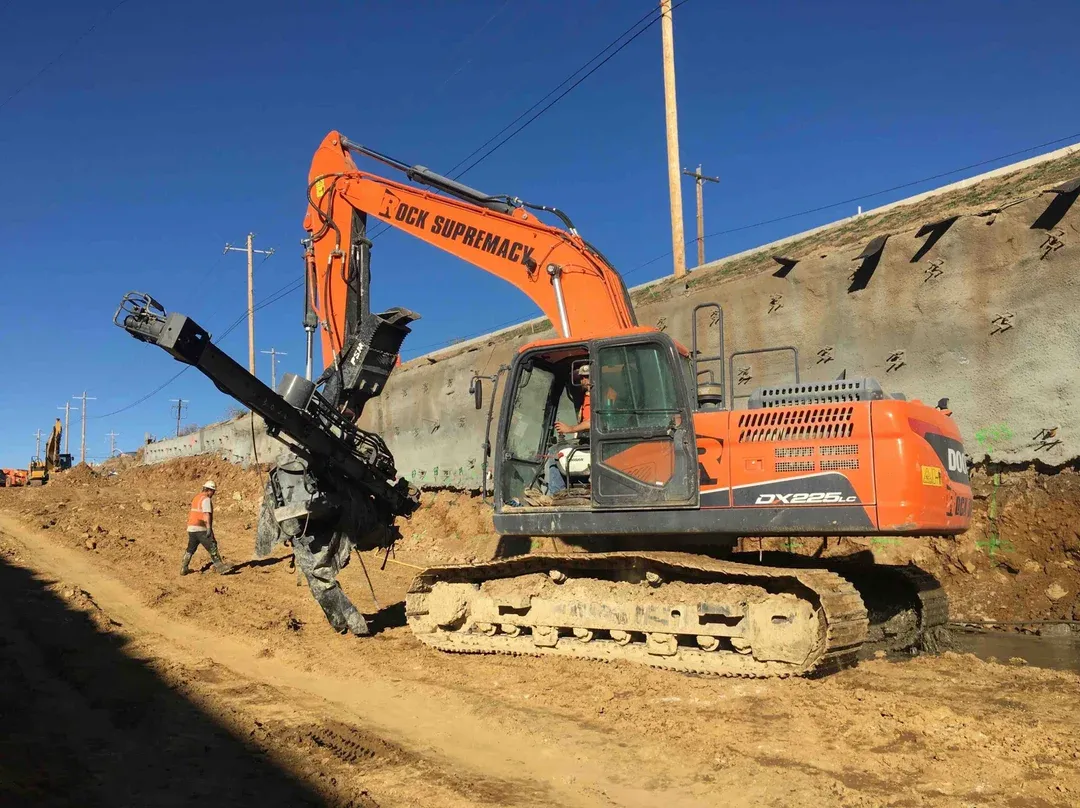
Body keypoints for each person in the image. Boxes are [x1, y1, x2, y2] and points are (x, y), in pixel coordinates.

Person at [181, 480, 233, 575]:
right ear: (209, 490)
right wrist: (208, 528)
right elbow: (206, 514)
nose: (213, 494)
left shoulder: (196, 498)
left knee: (190, 549)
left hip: (191, 528)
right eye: (213, 491)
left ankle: (184, 567)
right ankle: (220, 566)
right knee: (212, 545)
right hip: (201, 528)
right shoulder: (206, 499)